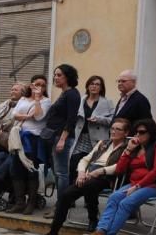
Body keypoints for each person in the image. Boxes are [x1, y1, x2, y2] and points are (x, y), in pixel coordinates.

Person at [80, 118, 156, 235]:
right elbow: (120, 169)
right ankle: (100, 231)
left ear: (151, 133)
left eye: (142, 132)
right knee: (114, 197)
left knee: (125, 203)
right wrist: (128, 150)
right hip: (134, 184)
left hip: (153, 185)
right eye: (136, 132)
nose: (138, 135)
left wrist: (138, 186)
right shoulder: (136, 147)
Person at [37, 118, 131, 235]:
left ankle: (93, 219)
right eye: (112, 128)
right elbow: (85, 159)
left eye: (118, 129)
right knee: (66, 195)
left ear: (126, 133)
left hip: (108, 177)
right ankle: (53, 232)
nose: (113, 132)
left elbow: (119, 166)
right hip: (89, 175)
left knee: (89, 186)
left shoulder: (127, 147)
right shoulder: (103, 143)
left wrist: (100, 171)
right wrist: (81, 173)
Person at [43, 64, 81, 214]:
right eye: (55, 75)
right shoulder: (65, 93)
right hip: (56, 136)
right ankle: (63, 202)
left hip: (62, 137)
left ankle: (61, 206)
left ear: (68, 77)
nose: (55, 78)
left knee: (62, 173)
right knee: (59, 172)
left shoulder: (72, 94)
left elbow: (71, 119)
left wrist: (62, 140)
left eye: (59, 75)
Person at [9, 77, 51, 213]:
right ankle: (19, 202)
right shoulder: (23, 99)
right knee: (16, 169)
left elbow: (38, 117)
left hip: (33, 139)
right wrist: (27, 116)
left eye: (43, 85)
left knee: (31, 171)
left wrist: (37, 99)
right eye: (37, 84)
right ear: (31, 85)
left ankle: (31, 203)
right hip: (19, 138)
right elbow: (14, 114)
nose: (39, 87)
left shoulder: (46, 101)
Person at [68, 75, 114, 184]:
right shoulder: (80, 100)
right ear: (88, 86)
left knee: (91, 167)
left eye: (97, 84)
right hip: (79, 137)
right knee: (73, 164)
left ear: (101, 88)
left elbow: (113, 120)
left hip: (97, 139)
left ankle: (89, 199)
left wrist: (99, 119)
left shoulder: (107, 102)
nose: (94, 86)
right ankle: (71, 196)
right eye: (92, 84)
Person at [0, 82, 23, 159]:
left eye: (15, 90)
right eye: (12, 90)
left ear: (22, 93)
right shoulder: (3, 105)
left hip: (11, 142)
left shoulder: (23, 106)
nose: (12, 91)